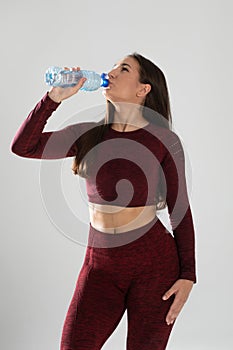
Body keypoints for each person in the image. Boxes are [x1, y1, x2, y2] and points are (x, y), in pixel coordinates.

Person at [11, 53, 197, 350]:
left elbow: (180, 210)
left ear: (143, 89)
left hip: (155, 266)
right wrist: (53, 98)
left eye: (123, 68)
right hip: (101, 267)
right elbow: (23, 146)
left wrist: (188, 275)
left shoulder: (163, 140)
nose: (111, 72)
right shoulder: (88, 134)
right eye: (113, 66)